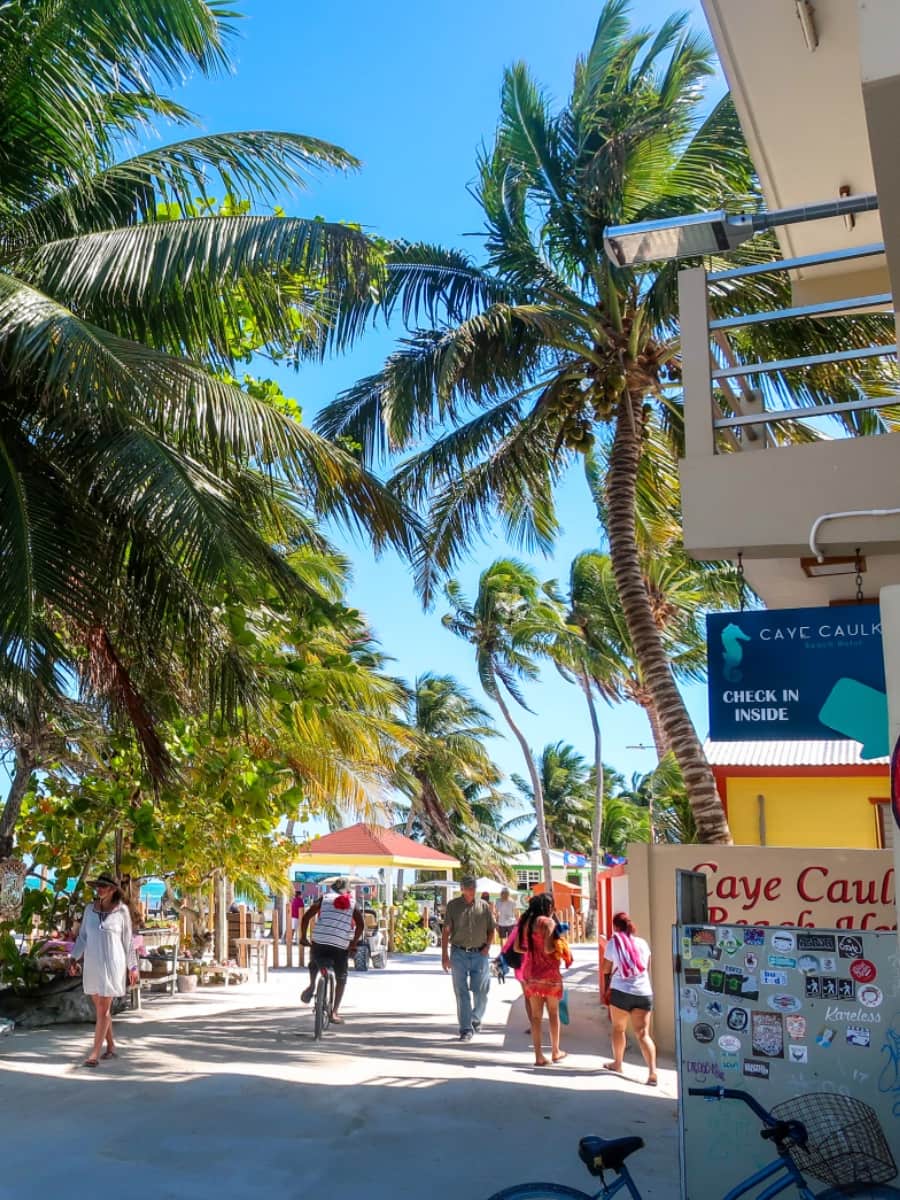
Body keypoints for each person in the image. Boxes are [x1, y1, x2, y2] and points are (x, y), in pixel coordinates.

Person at [67, 873, 139, 1067]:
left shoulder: (122, 911)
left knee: (103, 1009)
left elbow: (128, 941)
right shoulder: (89, 910)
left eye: (103, 886)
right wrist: (73, 958)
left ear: (113, 889)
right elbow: (82, 937)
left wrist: (133, 966)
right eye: (97, 886)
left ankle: (94, 1054)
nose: (99, 889)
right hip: (92, 964)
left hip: (114, 964)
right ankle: (111, 1046)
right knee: (100, 1009)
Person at [601, 911, 657, 1086]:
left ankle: (617, 1063)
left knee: (619, 1028)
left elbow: (605, 969)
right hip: (643, 993)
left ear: (616, 927)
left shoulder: (613, 943)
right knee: (643, 1034)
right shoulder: (643, 943)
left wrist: (605, 947)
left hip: (621, 991)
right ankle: (652, 1072)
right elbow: (645, 968)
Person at [299, 879, 363, 1023]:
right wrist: (353, 944)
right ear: (347, 891)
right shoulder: (352, 903)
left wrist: (303, 937)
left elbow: (306, 917)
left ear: (332, 888)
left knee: (314, 961)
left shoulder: (324, 899)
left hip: (319, 941)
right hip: (340, 945)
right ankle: (334, 1012)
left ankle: (311, 985)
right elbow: (361, 925)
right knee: (341, 977)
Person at [442, 875, 496, 1041]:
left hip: (480, 954)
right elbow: (446, 931)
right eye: (469, 887)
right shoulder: (453, 906)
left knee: (481, 989)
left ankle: (476, 1018)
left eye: (474, 887)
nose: (472, 890)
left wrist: (487, 946)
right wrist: (444, 956)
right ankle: (466, 1029)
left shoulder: (484, 906)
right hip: (458, 953)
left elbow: (491, 929)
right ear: (462, 889)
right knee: (461, 991)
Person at [516, 893, 566, 1066]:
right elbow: (548, 948)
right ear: (549, 907)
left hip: (531, 973)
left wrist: (532, 951)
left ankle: (538, 1056)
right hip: (549, 973)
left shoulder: (526, 924)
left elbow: (517, 947)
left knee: (536, 1017)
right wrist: (560, 944)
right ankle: (555, 1051)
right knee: (553, 1013)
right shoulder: (548, 922)